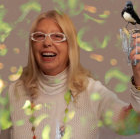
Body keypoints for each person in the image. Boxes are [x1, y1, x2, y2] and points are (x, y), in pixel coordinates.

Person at [6, 10, 140, 139]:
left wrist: (139, 80)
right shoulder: (13, 93)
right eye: (39, 36)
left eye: (57, 36)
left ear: (70, 46)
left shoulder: (91, 91)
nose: (47, 43)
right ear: (32, 45)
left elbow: (132, 125)